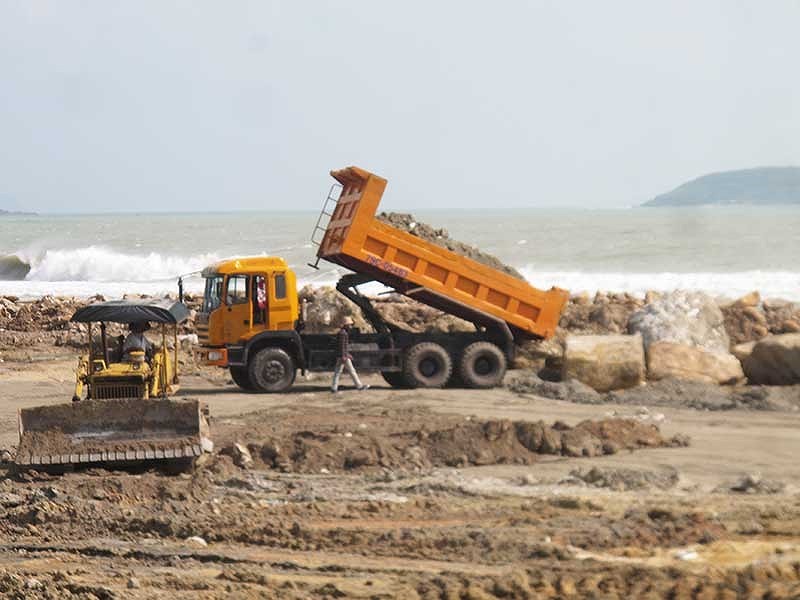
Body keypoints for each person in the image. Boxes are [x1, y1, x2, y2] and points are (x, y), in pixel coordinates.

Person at [331, 316, 369, 393]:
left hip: (342, 355)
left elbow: (342, 347)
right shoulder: (343, 334)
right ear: (346, 325)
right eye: (350, 325)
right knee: (352, 371)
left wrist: (346, 355)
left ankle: (334, 388)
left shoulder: (341, 333)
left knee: (337, 372)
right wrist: (344, 356)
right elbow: (342, 346)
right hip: (343, 356)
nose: (351, 326)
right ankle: (359, 386)